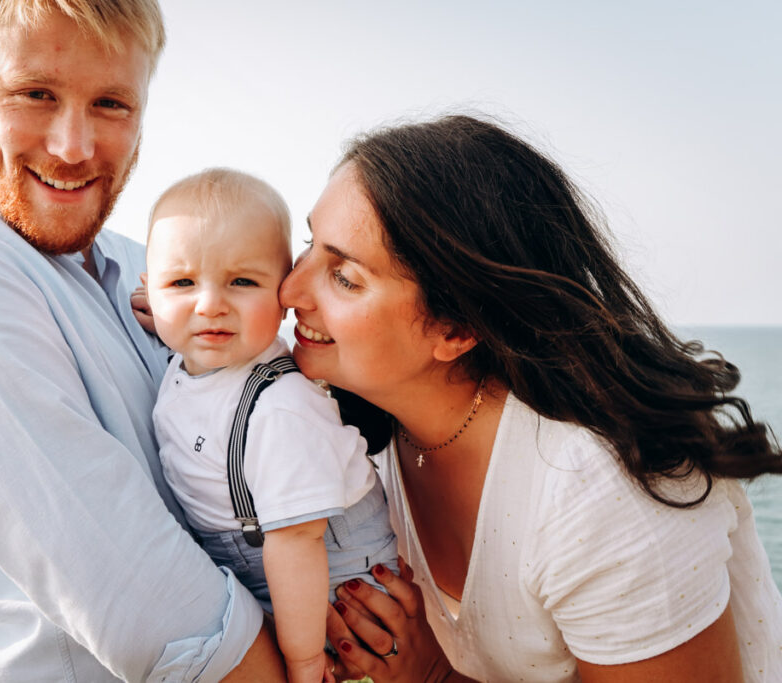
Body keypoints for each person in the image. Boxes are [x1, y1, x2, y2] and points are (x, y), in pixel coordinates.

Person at [0, 2, 286, 680]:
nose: (73, 147)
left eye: (111, 103)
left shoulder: (145, 270)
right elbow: (172, 629)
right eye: (36, 94)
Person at [280, 114, 782, 682]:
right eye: (309, 245)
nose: (290, 289)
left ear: (456, 328)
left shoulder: (599, 491)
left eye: (345, 277)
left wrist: (434, 677)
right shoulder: (362, 433)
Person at [138, 168, 399, 682]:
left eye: (242, 282)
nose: (210, 305)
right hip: (263, 562)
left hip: (330, 580)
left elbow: (298, 540)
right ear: (150, 290)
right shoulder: (192, 359)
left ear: (283, 295)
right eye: (183, 282)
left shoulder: (279, 405)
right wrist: (168, 316)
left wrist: (303, 659)